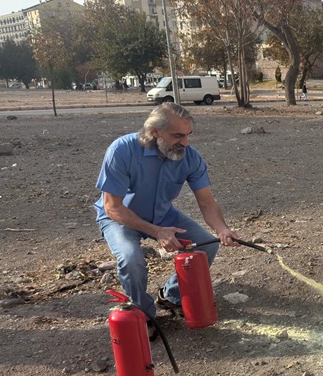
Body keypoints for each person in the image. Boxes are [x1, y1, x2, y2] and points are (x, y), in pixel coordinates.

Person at [94, 103, 238, 331]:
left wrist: (222, 229)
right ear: (155, 132)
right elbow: (113, 207)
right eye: (178, 136)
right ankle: (144, 314)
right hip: (120, 218)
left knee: (206, 246)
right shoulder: (122, 150)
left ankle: (171, 296)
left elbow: (207, 202)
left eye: (188, 135)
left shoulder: (190, 157)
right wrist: (157, 231)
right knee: (131, 259)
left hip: (162, 214)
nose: (186, 143)